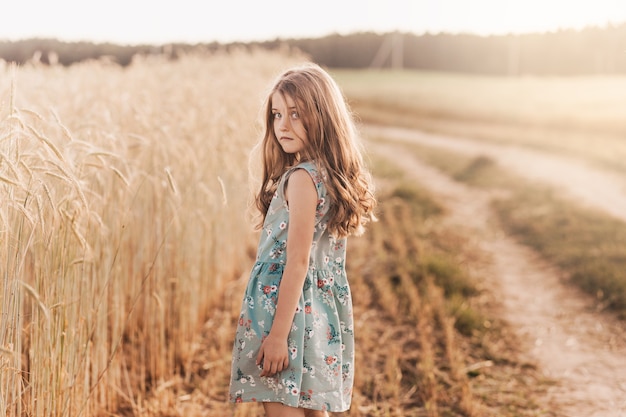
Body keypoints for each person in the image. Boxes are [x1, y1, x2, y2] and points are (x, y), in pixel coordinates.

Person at [229, 62, 377, 417]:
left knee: (280, 404)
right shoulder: (327, 176)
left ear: (322, 117)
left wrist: (278, 336)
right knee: (314, 410)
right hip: (319, 311)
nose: (282, 125)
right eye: (277, 114)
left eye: (296, 114)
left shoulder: (300, 179)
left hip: (285, 313)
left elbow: (297, 261)